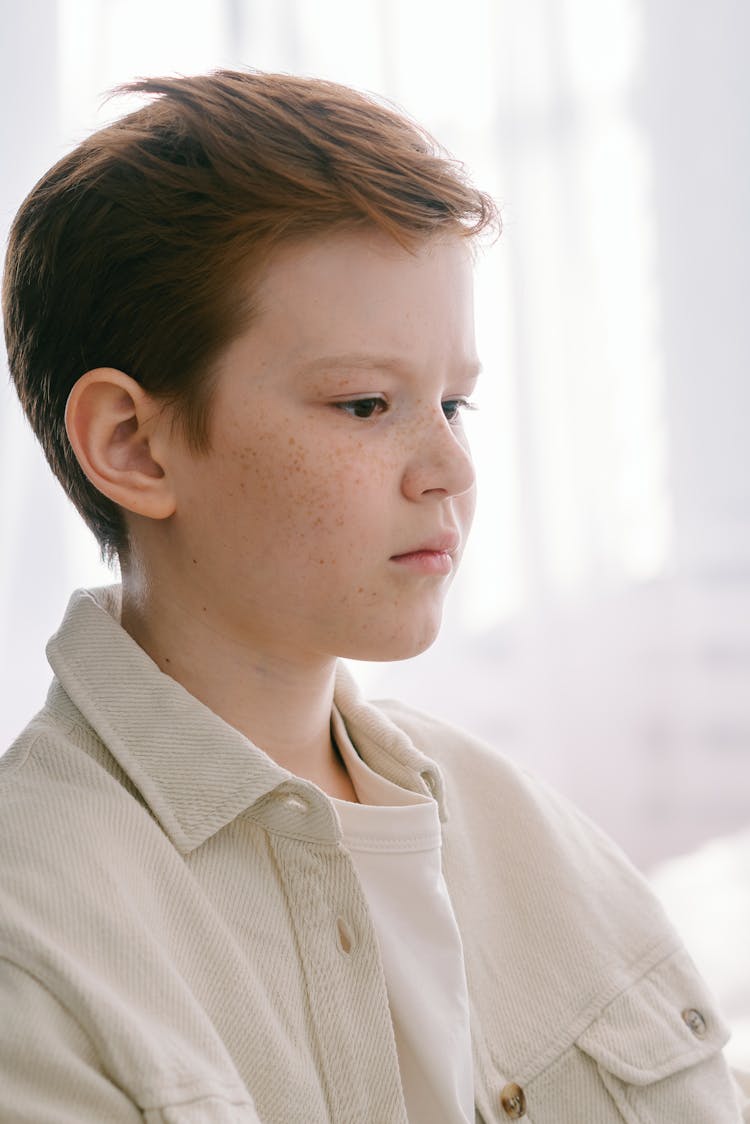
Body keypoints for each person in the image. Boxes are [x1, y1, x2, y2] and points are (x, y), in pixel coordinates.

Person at [0, 68, 744, 1124]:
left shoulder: (520, 825)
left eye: (453, 400)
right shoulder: (36, 941)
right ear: (132, 443)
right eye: (365, 403)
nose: (449, 465)